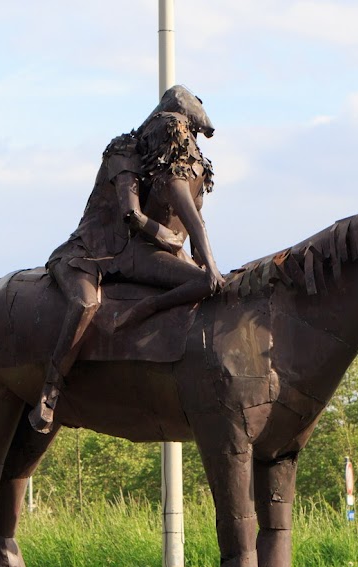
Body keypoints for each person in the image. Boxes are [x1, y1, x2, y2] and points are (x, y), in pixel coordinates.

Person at [30, 86, 224, 433]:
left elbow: (194, 219)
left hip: (134, 251)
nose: (183, 138)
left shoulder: (165, 161)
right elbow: (131, 215)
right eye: (178, 129)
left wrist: (205, 263)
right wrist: (165, 237)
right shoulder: (125, 152)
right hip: (92, 251)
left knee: (198, 284)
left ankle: (149, 321)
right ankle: (50, 390)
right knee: (84, 304)